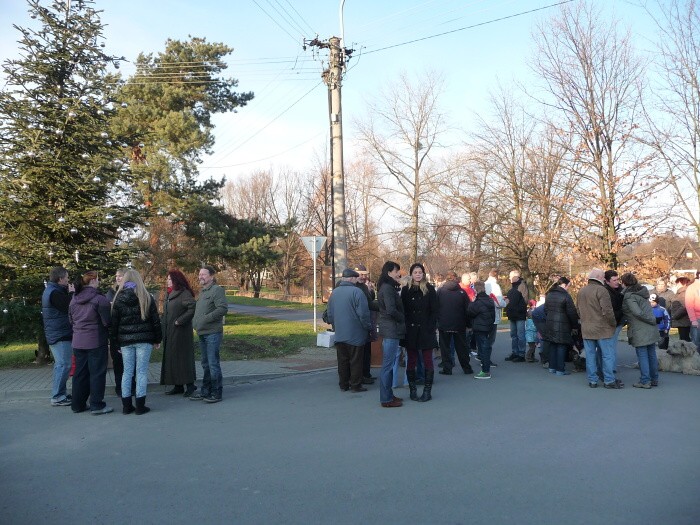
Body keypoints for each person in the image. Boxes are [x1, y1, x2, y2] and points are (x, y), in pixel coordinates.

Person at [111, 269, 162, 415]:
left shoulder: (118, 298)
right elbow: (155, 321)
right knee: (141, 372)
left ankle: (126, 406)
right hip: (144, 340)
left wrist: (116, 343)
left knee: (127, 372)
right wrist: (157, 339)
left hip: (125, 341)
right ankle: (140, 405)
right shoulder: (146, 297)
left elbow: (114, 324)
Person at [68, 270, 112, 414]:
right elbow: (107, 322)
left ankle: (77, 405)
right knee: (97, 373)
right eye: (98, 279)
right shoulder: (100, 299)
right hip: (96, 341)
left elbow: (71, 320)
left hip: (78, 341)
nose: (99, 282)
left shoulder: (74, 299)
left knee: (80, 374)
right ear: (93, 281)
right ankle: (97, 405)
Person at [327, 268, 372, 393]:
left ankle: (343, 384)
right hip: (356, 334)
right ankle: (355, 385)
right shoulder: (357, 292)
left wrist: (335, 326)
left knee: (342, 360)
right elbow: (363, 314)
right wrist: (368, 327)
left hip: (340, 333)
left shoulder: (334, 293)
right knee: (356, 360)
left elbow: (330, 313)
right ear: (352, 278)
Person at [190, 265, 228, 403]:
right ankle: (205, 391)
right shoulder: (203, 291)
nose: (200, 276)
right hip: (202, 333)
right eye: (199, 274)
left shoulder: (217, 290)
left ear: (211, 276)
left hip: (212, 333)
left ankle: (216, 392)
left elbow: (222, 309)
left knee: (212, 364)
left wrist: (206, 319)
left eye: (203, 274)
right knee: (205, 364)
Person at [576, 269, 620, 389]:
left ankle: (592, 380)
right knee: (607, 355)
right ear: (600, 277)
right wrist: (613, 324)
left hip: (587, 328)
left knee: (590, 356)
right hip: (602, 329)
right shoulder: (602, 290)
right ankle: (609, 380)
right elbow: (607, 311)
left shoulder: (581, 291)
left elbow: (578, 310)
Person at [401, 262, 438, 402]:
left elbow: (435, 310)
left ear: (423, 274)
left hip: (426, 330)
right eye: (415, 272)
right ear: (411, 274)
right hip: (410, 330)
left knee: (428, 360)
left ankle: (427, 391)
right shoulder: (406, 290)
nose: (418, 274)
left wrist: (431, 326)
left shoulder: (429, 289)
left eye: (420, 272)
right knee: (411, 360)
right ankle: (413, 390)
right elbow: (403, 310)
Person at [160, 269, 197, 397]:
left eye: (170, 279)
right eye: (167, 279)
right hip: (169, 332)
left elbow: (192, 308)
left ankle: (190, 385)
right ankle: (178, 385)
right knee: (173, 358)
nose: (167, 281)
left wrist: (180, 321)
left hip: (181, 333)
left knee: (183, 359)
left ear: (176, 280)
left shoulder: (184, 293)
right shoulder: (169, 294)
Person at [42, 266, 75, 406]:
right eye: (67, 277)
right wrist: (72, 294)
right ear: (60, 279)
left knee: (62, 364)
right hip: (59, 334)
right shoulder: (54, 293)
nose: (68, 280)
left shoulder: (52, 291)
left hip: (57, 332)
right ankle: (57, 396)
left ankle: (61, 394)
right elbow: (69, 306)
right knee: (63, 365)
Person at [621, 273, 659, 389]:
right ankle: (654, 379)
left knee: (642, 355)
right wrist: (652, 320)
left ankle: (645, 381)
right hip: (650, 328)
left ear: (624, 283)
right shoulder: (642, 293)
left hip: (639, 328)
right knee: (651, 354)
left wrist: (650, 320)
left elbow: (637, 312)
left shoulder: (629, 296)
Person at [377, 261, 405, 408]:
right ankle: (386, 399)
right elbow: (391, 310)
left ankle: (388, 395)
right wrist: (403, 318)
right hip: (390, 330)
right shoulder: (387, 288)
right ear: (388, 272)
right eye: (396, 271)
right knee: (388, 366)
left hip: (390, 329)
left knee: (388, 364)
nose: (398, 273)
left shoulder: (387, 287)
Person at [436, 270, 473, 376]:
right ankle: (466, 368)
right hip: (459, 323)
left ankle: (447, 368)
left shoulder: (440, 291)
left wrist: (437, 322)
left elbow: (436, 308)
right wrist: (469, 324)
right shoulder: (462, 292)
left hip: (444, 323)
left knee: (445, 347)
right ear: (456, 279)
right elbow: (468, 310)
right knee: (462, 347)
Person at [543, 277, 579, 376]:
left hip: (550, 323)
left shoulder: (549, 294)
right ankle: (560, 369)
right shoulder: (565, 296)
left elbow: (545, 309)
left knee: (553, 345)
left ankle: (552, 367)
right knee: (561, 346)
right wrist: (574, 326)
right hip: (563, 324)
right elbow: (571, 312)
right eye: (568, 286)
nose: (568, 288)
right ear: (564, 285)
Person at [353, 263, 378, 384]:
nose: (363, 277)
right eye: (360, 274)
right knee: (360, 353)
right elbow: (367, 305)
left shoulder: (364, 286)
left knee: (367, 350)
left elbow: (370, 302)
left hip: (367, 322)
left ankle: (366, 374)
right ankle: (360, 376)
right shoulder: (354, 287)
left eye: (364, 274)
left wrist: (371, 290)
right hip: (359, 324)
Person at [105, 268, 129, 396]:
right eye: (116, 276)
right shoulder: (111, 292)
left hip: (129, 332)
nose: (118, 278)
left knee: (130, 362)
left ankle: (132, 385)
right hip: (115, 333)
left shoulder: (131, 291)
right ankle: (119, 386)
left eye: (120, 276)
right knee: (118, 362)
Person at [468, 281, 496, 379]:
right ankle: (485, 368)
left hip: (480, 327)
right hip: (488, 326)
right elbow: (493, 314)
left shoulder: (478, 302)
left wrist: (472, 301)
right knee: (485, 347)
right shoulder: (489, 300)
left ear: (475, 290)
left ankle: (485, 370)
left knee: (483, 348)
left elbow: (470, 311)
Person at [505, 269, 528, 362]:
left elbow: (524, 301)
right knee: (513, 335)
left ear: (516, 277)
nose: (509, 278)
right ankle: (515, 352)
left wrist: (516, 310)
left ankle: (521, 354)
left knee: (520, 335)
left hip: (519, 315)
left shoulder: (522, 286)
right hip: (512, 315)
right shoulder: (513, 287)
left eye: (511, 276)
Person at [484, 269, 506, 358]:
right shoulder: (495, 286)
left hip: (483, 314)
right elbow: (498, 302)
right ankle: (486, 359)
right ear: (497, 276)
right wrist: (506, 302)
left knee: (484, 338)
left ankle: (482, 355)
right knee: (490, 339)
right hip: (493, 314)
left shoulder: (484, 284)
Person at [670, 276, 691, 342]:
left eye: (678, 283)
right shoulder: (680, 293)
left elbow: (684, 307)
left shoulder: (684, 293)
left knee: (684, 339)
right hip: (681, 321)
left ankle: (687, 352)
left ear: (684, 284)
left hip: (684, 321)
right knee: (683, 338)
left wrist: (675, 316)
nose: (676, 285)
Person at [683, 271, 700, 349]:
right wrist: (693, 320)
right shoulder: (692, 288)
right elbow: (689, 305)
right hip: (697, 318)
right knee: (696, 343)